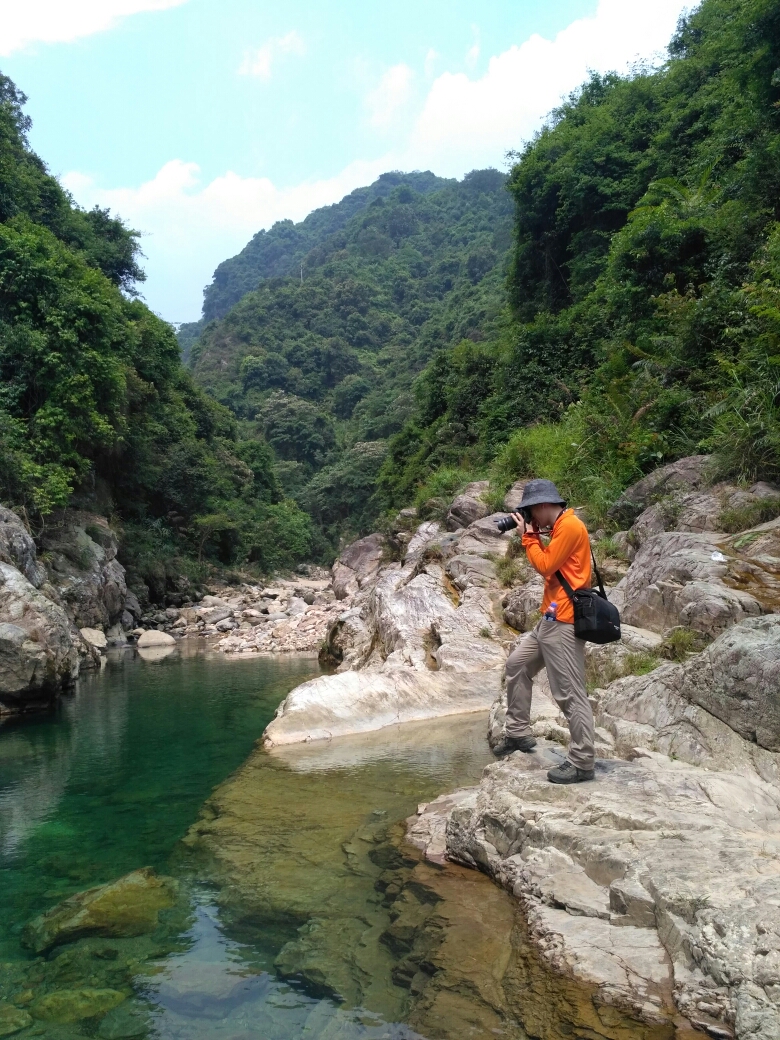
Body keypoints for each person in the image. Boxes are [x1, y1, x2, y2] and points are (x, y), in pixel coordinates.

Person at [493, 478, 596, 784]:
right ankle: (518, 732)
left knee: (569, 693)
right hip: (550, 617)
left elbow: (546, 565)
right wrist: (534, 532)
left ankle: (582, 761)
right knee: (517, 666)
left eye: (530, 512)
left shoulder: (570, 526)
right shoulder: (559, 526)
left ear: (540, 506)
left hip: (563, 621)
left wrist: (528, 538)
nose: (530, 519)